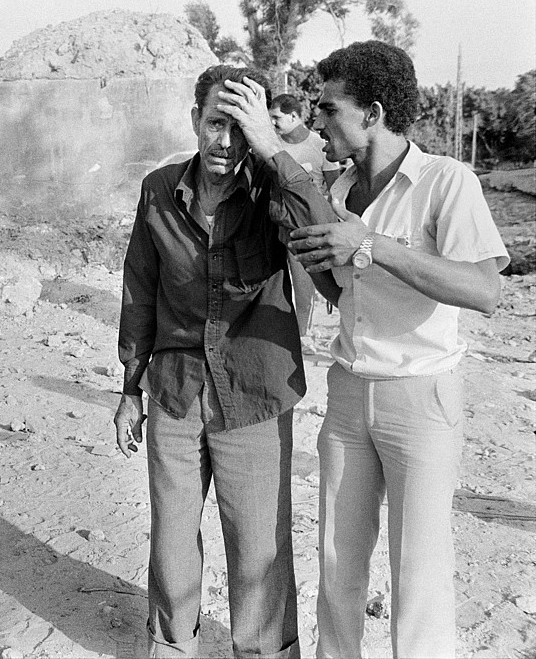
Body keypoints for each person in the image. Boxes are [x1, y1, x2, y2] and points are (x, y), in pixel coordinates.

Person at [288, 40, 508, 658]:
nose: (316, 121)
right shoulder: (336, 192)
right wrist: (314, 254)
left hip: (421, 397)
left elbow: (484, 290)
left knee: (419, 569)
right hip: (348, 393)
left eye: (328, 108)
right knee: (337, 560)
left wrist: (371, 245)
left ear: (374, 113)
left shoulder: (445, 182)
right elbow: (345, 292)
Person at [113, 64, 336, 658]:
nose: (226, 141)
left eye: (241, 127)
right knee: (171, 538)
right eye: (216, 123)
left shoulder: (273, 190)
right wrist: (130, 389)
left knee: (259, 545)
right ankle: (172, 647)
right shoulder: (159, 190)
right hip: (176, 388)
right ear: (195, 119)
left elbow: (324, 234)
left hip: (255, 391)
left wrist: (272, 149)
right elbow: (140, 289)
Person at [269, 94, 343, 337]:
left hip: (305, 229)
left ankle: (301, 337)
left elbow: (335, 191)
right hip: (275, 225)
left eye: (276, 117)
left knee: (304, 289)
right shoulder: (272, 146)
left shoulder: (320, 144)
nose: (272, 123)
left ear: (293, 116)